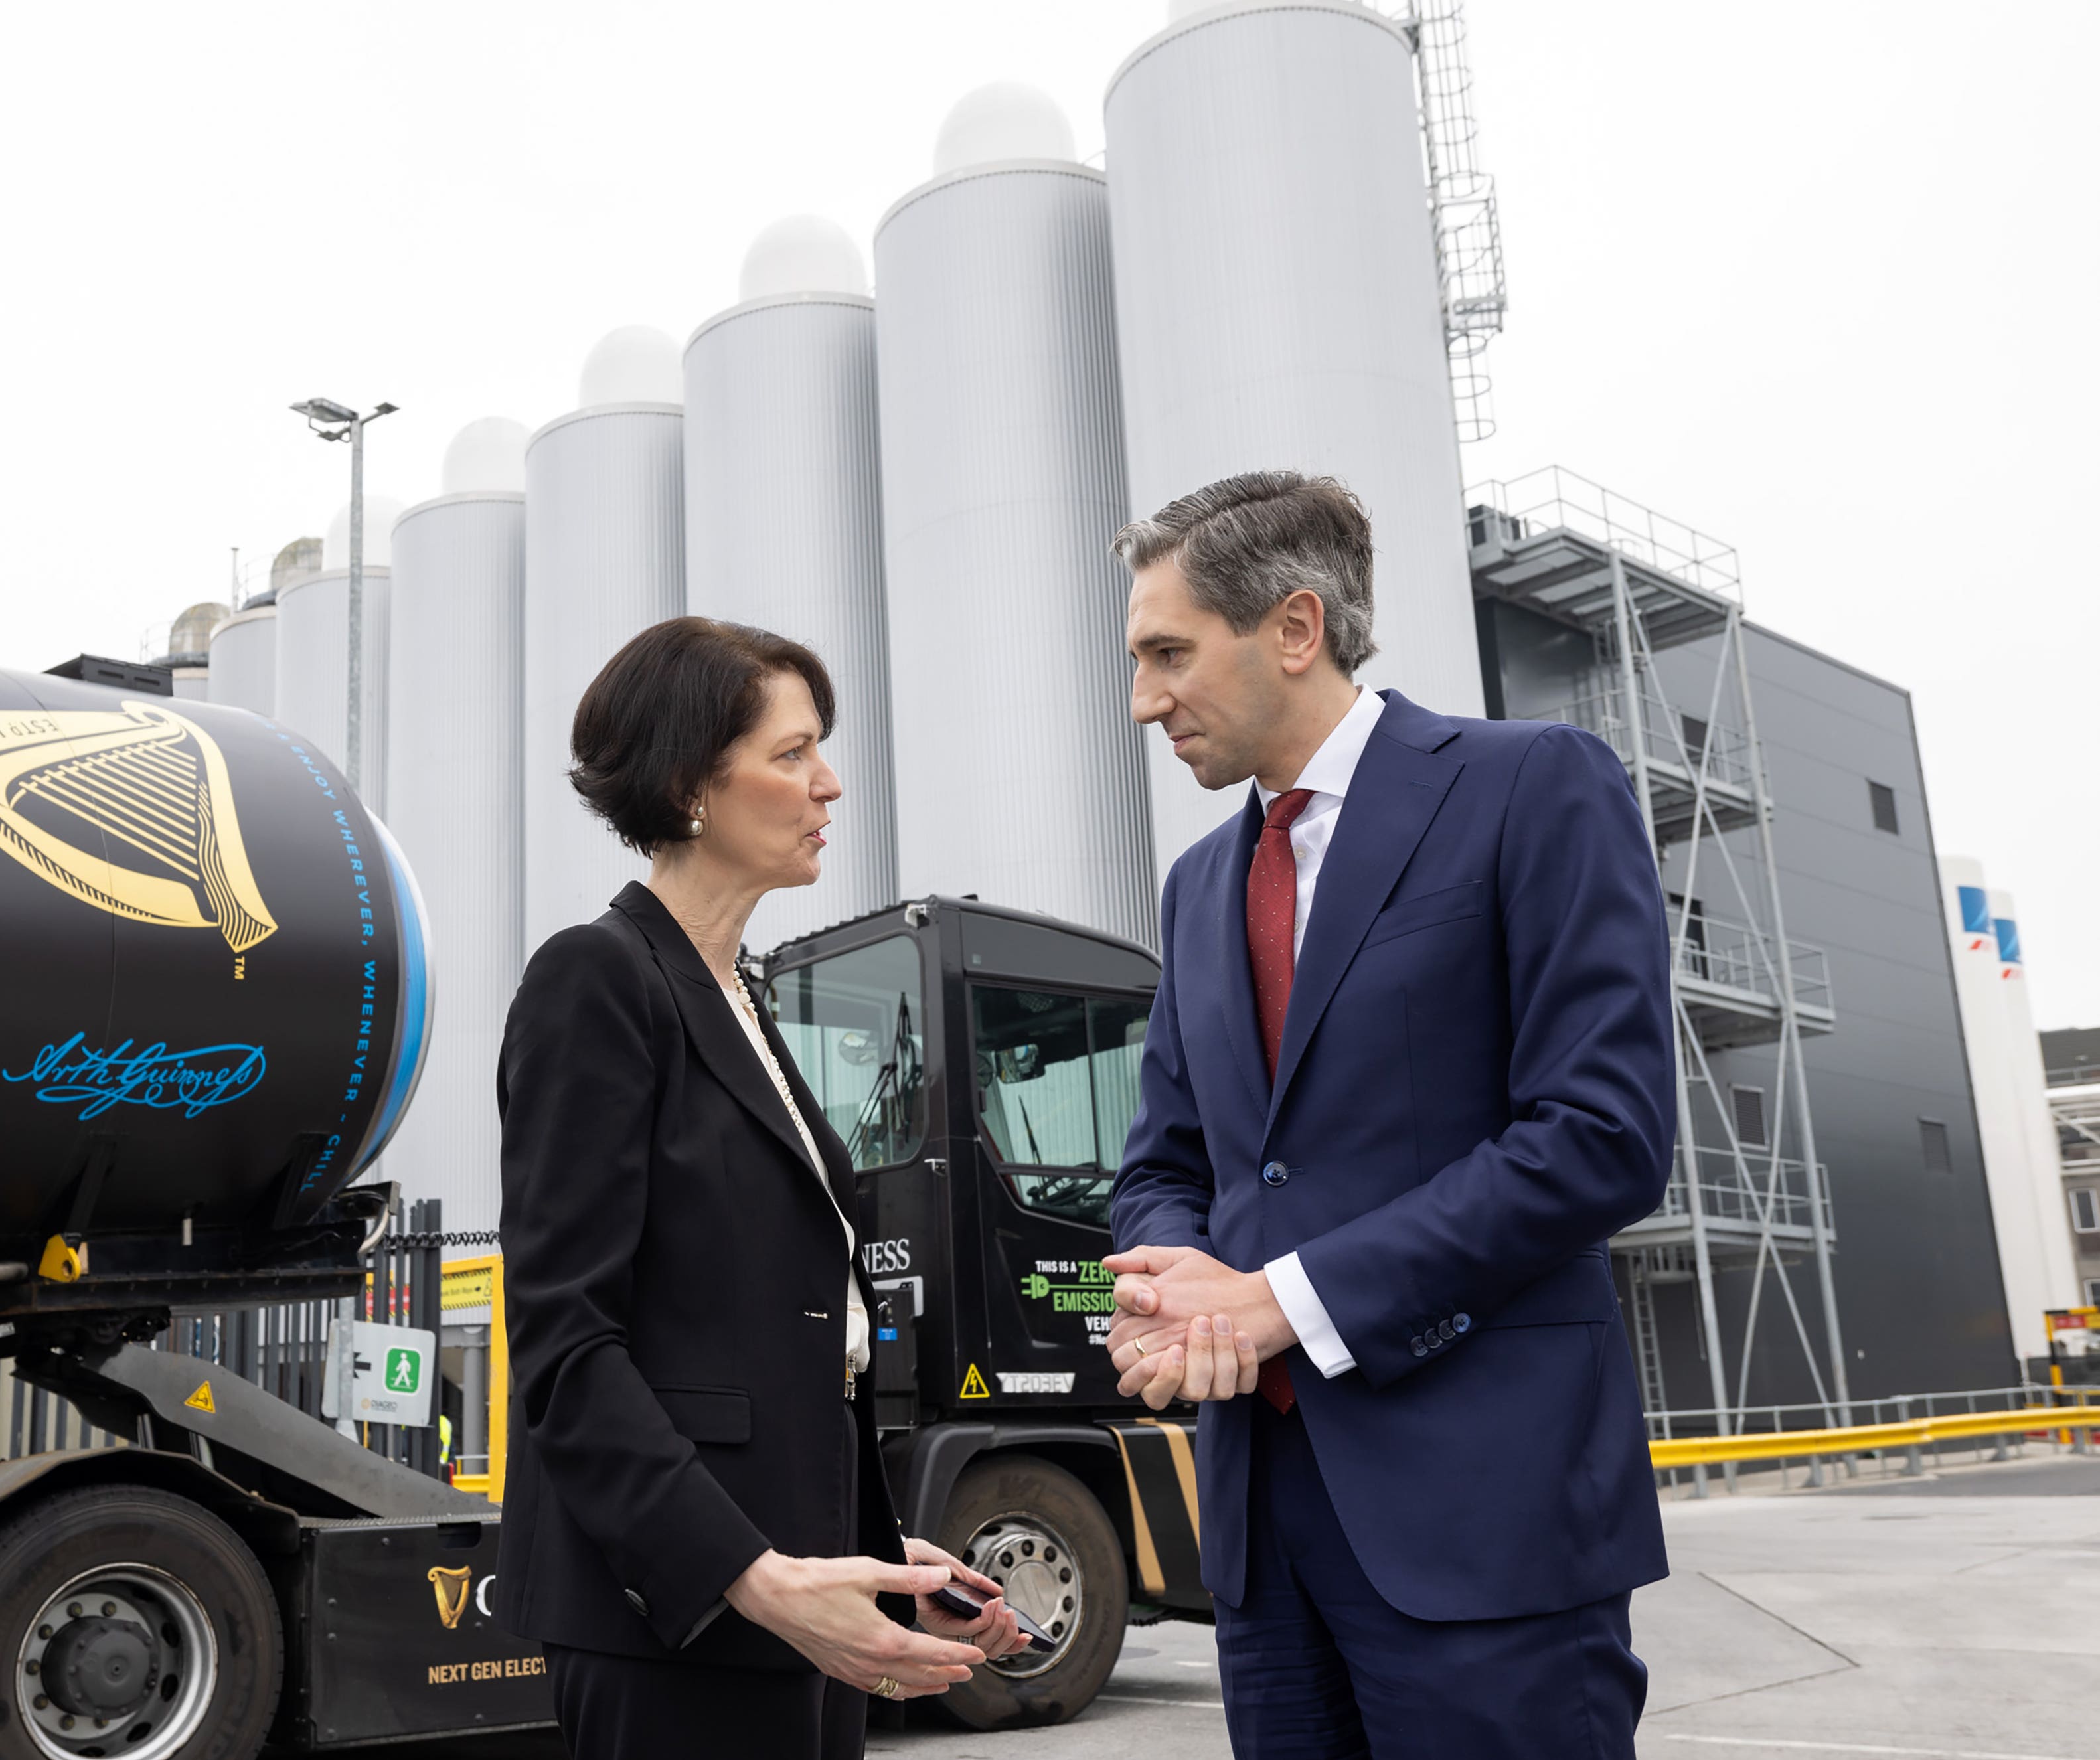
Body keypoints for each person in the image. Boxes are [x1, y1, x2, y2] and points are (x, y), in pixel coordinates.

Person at [1097, 472, 1676, 1759]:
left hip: (1484, 1518)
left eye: (1165, 653)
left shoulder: (1530, 786)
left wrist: (1279, 1299)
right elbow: (1162, 1163)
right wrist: (1173, 1285)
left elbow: (1600, 1132)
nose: (1141, 698)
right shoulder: (1199, 886)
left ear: (1292, 627)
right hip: (1261, 1530)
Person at [493, 617, 1028, 1759]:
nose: (828, 784)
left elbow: (795, 1347)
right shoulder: (596, 981)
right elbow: (565, 1345)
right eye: (792, 754)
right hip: (677, 1605)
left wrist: (886, 1562)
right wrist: (744, 1573)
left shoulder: (741, 1002)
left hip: (798, 1584)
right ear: (692, 782)